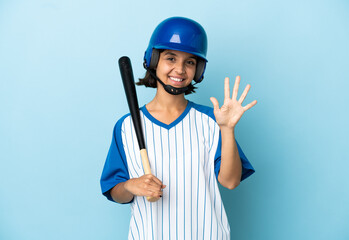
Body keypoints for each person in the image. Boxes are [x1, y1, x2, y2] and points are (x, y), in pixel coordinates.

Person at [100, 16, 257, 240]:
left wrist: (228, 129)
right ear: (153, 60)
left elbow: (230, 182)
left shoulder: (212, 120)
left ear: (198, 69)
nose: (180, 69)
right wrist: (132, 186)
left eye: (190, 62)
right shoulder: (126, 126)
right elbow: (116, 193)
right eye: (171, 58)